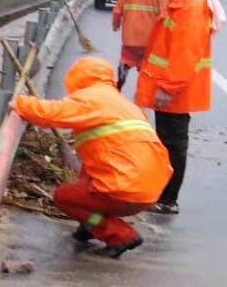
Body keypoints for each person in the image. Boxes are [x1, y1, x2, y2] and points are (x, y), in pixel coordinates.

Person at [13, 58, 171, 258]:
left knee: (66, 197)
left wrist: (19, 103)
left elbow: (51, 113)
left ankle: (118, 234)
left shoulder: (90, 99)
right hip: (150, 188)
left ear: (76, 78)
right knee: (87, 174)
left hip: (124, 188)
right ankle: (88, 226)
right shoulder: (119, 102)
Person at [134, 0, 216, 215]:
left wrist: (168, 87)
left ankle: (168, 199)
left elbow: (185, 53)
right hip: (172, 87)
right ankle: (163, 194)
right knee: (167, 141)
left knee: (173, 142)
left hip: (176, 90)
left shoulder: (190, 3)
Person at [112, 0, 169, 89]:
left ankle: (120, 81)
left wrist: (115, 24)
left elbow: (118, 9)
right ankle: (143, 93)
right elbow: (165, 15)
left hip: (130, 36)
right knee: (147, 67)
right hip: (150, 39)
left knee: (126, 58)